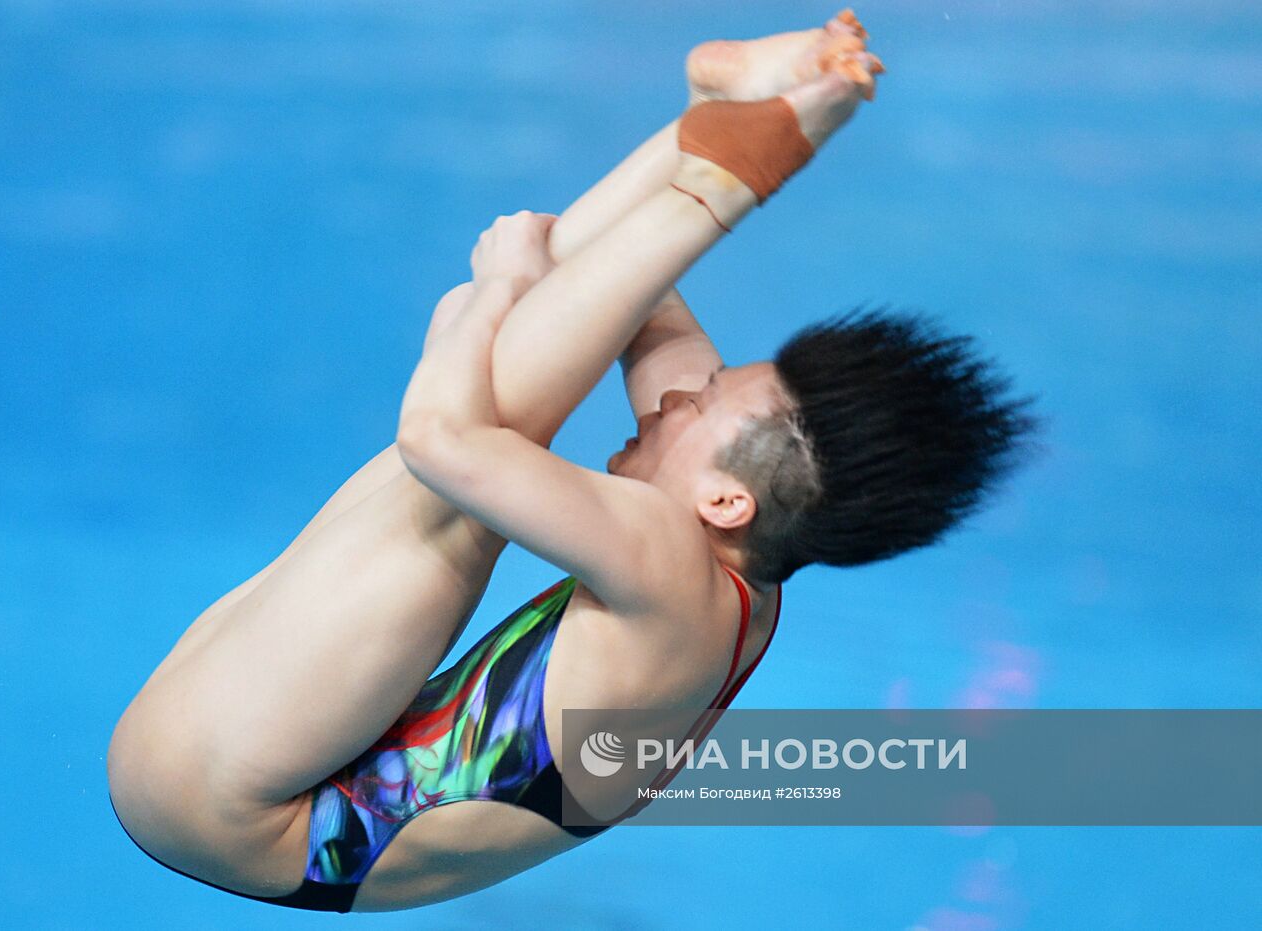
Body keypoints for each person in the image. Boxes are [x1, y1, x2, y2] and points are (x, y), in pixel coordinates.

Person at [108, 10, 1030, 913]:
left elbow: (443, 442)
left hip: (242, 812)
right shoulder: (739, 560)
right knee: (520, 383)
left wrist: (499, 287)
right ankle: (718, 125)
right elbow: (632, 303)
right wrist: (689, 138)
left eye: (700, 405)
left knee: (457, 500)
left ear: (724, 500)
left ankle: (735, 174)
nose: (675, 395)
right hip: (246, 772)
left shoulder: (665, 564)